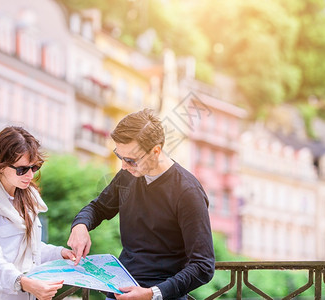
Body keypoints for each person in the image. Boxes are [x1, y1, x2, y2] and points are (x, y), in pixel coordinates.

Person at [67, 108, 215, 300]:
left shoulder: (188, 192)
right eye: (119, 156)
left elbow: (203, 265)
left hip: (163, 295)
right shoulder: (127, 176)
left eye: (130, 160)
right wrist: (80, 225)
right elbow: (98, 208)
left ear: (156, 151)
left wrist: (151, 294)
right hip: (120, 289)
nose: (123, 166)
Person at [0, 126, 76, 300]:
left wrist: (59, 253)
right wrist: (24, 282)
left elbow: (30, 249)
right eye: (22, 169)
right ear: (0, 166)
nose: (29, 175)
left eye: (34, 167)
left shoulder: (27, 196)